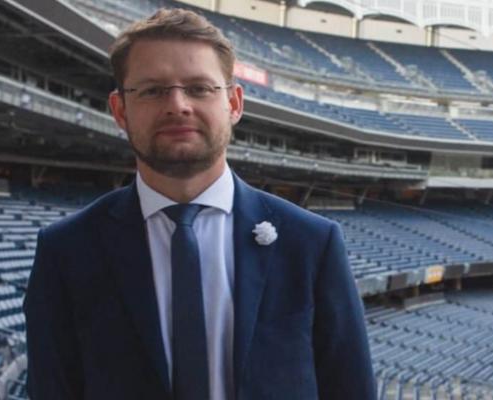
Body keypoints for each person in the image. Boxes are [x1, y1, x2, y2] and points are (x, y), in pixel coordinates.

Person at [23, 8, 375, 400]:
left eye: (199, 88)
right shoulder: (67, 250)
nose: (178, 105)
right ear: (120, 110)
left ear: (234, 103)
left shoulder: (312, 243)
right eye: (152, 90)